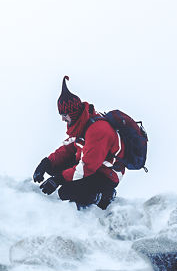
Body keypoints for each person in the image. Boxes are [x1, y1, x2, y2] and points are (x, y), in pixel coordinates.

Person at [32, 76, 123, 210]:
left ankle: (103, 195)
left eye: (64, 115)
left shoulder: (98, 131)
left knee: (66, 192)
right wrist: (46, 162)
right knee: (52, 168)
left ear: (73, 113)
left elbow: (87, 167)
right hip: (90, 166)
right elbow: (69, 148)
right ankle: (85, 189)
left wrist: (58, 179)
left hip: (105, 174)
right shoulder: (81, 124)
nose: (63, 119)